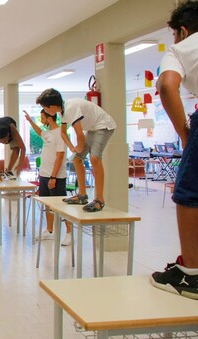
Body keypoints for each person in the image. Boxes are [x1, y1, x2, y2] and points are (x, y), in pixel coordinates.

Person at [151, 0, 198, 299]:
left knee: (188, 191)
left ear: (182, 31)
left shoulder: (182, 48)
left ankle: (191, 274)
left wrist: (184, 133)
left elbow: (167, 85)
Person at [36, 88, 116, 212]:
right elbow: (63, 133)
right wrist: (72, 148)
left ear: (51, 107)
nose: (44, 111)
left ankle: (99, 200)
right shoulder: (63, 111)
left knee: (94, 158)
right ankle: (82, 195)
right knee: (76, 159)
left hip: (103, 125)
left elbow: (79, 135)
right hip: (92, 128)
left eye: (45, 108)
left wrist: (77, 148)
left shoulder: (70, 109)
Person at [24, 110, 72, 246]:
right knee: (46, 205)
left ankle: (69, 232)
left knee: (61, 206)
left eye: (43, 118)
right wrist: (30, 121)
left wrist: (53, 177)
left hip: (55, 177)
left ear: (49, 118)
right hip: (44, 175)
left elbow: (60, 156)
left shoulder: (60, 134)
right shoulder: (48, 133)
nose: (41, 120)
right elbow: (40, 132)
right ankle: (49, 230)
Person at [0, 116, 26, 181]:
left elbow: (23, 148)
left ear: (8, 135)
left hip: (9, 123)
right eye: (1, 141)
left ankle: (9, 170)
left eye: (5, 141)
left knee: (16, 148)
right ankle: (0, 172)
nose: (4, 143)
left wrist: (19, 166)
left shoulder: (13, 131)